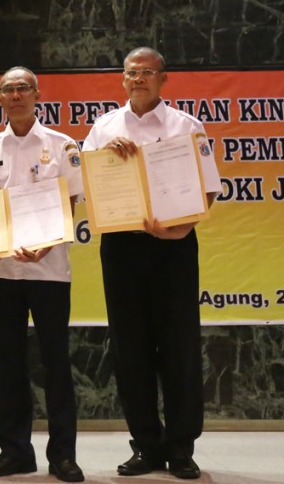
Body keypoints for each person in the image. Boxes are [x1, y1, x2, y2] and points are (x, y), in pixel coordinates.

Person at [82, 47, 221, 480]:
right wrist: (105, 156)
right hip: (121, 247)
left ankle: (181, 448)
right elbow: (85, 185)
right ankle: (146, 444)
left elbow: (209, 186)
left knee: (179, 347)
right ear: (122, 79)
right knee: (131, 348)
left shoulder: (186, 126)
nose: (138, 78)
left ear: (164, 78)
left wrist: (182, 228)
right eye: (131, 72)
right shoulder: (104, 127)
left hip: (174, 247)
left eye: (147, 71)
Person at [0, 67, 84, 482]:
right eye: (9, 89)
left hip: (48, 269)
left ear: (37, 95)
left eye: (23, 88)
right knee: (7, 363)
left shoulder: (61, 144)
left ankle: (63, 456)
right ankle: (14, 452)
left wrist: (48, 243)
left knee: (55, 362)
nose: (16, 95)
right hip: (0, 272)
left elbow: (71, 202)